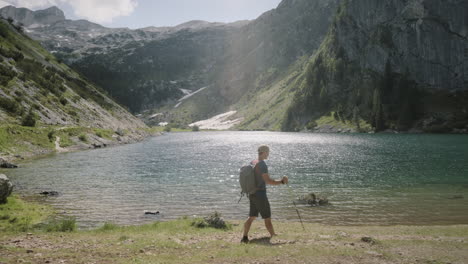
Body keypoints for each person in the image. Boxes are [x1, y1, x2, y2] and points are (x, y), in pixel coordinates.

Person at [241, 145, 288, 243]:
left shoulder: (253, 162)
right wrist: (281, 182)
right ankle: (273, 235)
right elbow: (268, 181)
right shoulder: (262, 164)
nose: (268, 154)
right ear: (264, 152)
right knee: (267, 217)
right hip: (260, 194)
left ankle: (244, 237)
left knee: (252, 216)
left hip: (252, 193)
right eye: (268, 152)